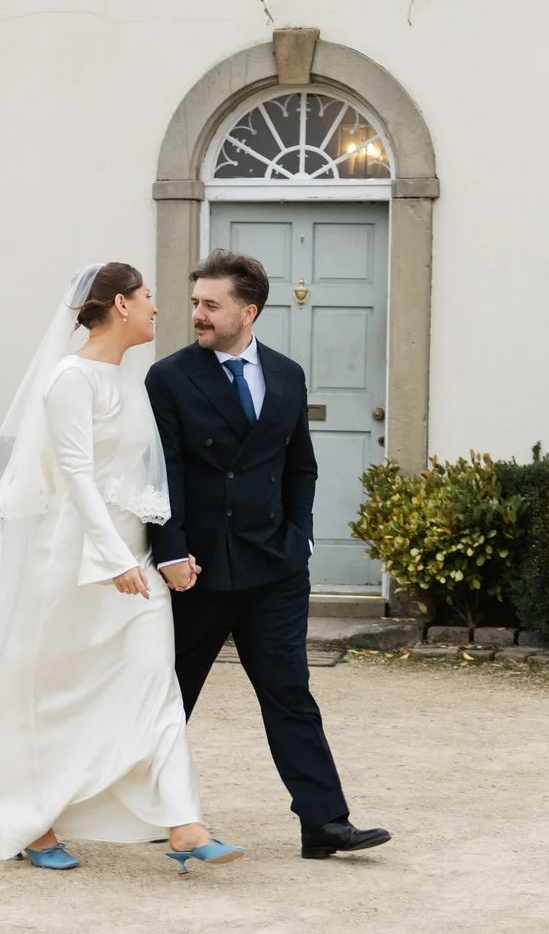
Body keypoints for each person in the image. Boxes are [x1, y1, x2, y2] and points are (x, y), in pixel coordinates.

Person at [0, 262, 244, 874]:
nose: (159, 308)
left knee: (156, 682)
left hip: (132, 564)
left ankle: (184, 825)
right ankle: (34, 822)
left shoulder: (130, 379)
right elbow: (76, 476)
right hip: (69, 564)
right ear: (121, 306)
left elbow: (143, 481)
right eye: (149, 296)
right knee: (43, 695)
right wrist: (109, 560)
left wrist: (163, 555)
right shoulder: (70, 381)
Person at [145, 251, 391, 860]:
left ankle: (325, 823)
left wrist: (300, 537)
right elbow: (162, 472)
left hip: (273, 569)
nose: (197, 315)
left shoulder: (286, 375)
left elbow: (299, 465)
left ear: (247, 311)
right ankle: (143, 809)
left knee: (290, 693)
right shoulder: (169, 378)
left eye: (211, 305)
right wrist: (170, 551)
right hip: (196, 572)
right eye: (195, 303)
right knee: (167, 697)